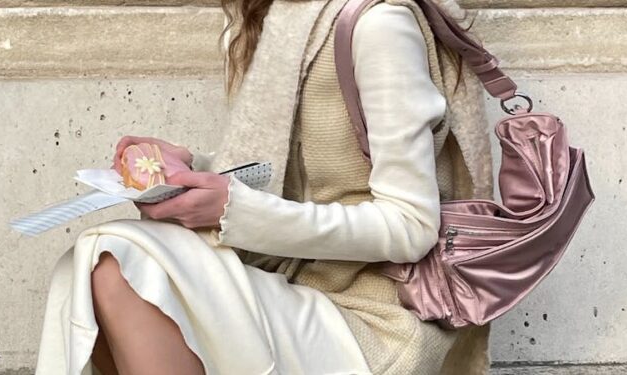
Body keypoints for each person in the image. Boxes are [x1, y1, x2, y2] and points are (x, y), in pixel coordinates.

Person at [34, 0, 494, 373]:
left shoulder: (379, 26)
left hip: (373, 320)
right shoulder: (290, 20)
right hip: (299, 287)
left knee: (120, 259)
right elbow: (297, 181)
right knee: (102, 261)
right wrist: (190, 170)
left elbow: (411, 227)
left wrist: (230, 211)